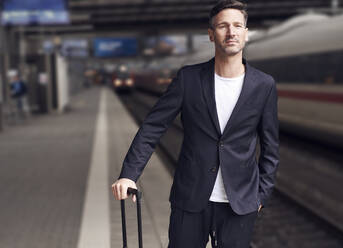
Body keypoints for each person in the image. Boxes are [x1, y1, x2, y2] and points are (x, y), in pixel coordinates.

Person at [111, 1, 279, 247]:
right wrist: (129, 175)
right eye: (223, 26)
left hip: (240, 203)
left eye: (237, 26)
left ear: (245, 33)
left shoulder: (263, 85)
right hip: (190, 199)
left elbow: (270, 147)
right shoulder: (188, 79)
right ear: (211, 35)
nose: (231, 32)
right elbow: (152, 128)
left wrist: (261, 194)